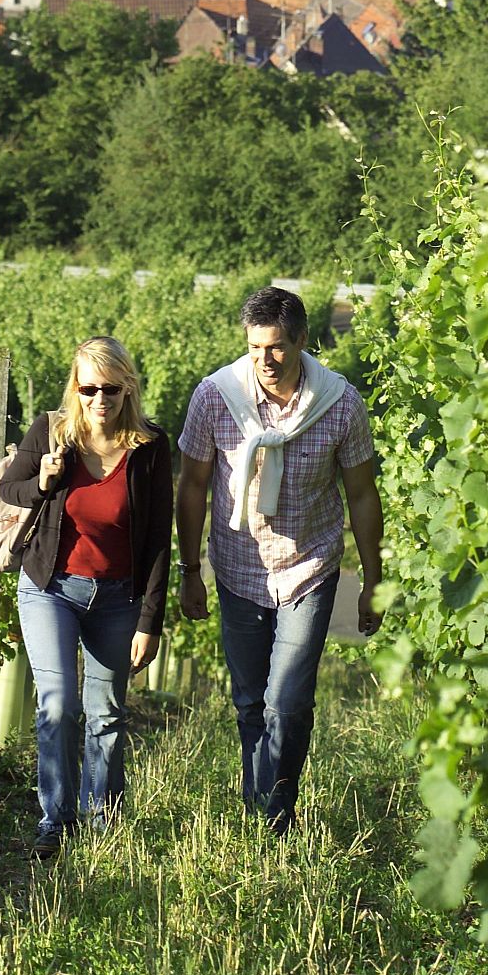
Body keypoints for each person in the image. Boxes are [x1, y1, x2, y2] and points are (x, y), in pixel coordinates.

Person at [176, 285, 383, 833]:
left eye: (276, 348)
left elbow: (362, 494)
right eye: (254, 348)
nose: (265, 360)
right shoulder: (216, 397)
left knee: (286, 701)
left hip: (309, 567)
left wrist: (373, 580)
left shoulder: (340, 404)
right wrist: (190, 570)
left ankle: (277, 814)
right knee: (249, 702)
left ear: (302, 343)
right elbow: (193, 485)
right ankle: (259, 808)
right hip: (238, 569)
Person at [0, 336, 172, 856]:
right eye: (89, 387)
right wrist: (44, 482)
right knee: (58, 707)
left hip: (119, 596)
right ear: (76, 387)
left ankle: (103, 822)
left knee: (108, 714)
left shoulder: (149, 447)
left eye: (111, 389)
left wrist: (150, 619)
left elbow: (159, 535)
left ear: (127, 389)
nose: (100, 399)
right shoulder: (53, 435)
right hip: (51, 587)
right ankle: (55, 822)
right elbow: (11, 489)